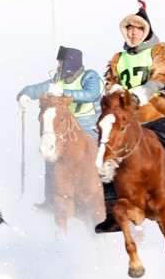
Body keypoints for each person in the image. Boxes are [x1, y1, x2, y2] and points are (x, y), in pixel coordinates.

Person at [95, 0, 165, 233]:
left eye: (138, 29)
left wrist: (144, 91)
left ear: (146, 32)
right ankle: (112, 209)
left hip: (157, 112)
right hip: (128, 118)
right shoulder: (118, 58)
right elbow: (111, 82)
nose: (134, 34)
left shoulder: (159, 51)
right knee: (105, 151)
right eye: (129, 29)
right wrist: (114, 91)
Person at [16, 46, 103, 214]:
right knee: (51, 153)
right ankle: (51, 199)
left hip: (88, 123)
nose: (58, 65)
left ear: (71, 62)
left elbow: (91, 94)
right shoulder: (57, 80)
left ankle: (110, 191)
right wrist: (24, 95)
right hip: (63, 127)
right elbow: (36, 89)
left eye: (61, 62)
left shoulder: (89, 76)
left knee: (104, 151)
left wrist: (64, 92)